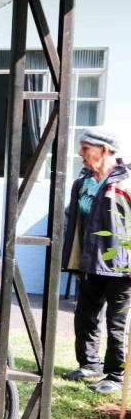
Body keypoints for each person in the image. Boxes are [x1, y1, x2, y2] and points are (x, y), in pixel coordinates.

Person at [61, 128, 131, 394]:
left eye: (85, 148)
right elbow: (73, 217)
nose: (80, 153)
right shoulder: (83, 183)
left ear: (103, 150)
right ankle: (90, 364)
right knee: (85, 317)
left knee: (117, 324)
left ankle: (116, 376)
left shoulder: (125, 183)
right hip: (90, 263)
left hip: (121, 267)